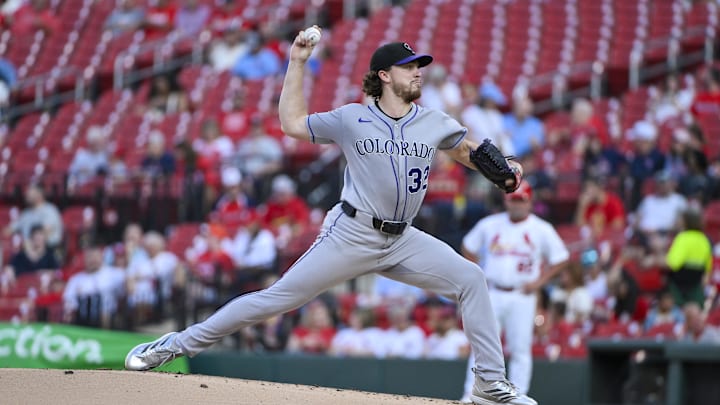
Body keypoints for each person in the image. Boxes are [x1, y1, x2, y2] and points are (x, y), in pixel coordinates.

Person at [125, 32, 536, 405]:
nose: (417, 74)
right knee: (275, 300)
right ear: (384, 76)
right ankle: (175, 345)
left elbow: (466, 148)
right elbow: (291, 125)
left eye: (419, 67)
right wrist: (298, 62)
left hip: (404, 239)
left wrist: (504, 166)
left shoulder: (432, 120)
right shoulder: (351, 118)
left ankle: (487, 383)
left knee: (471, 280)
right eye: (409, 67)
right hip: (352, 234)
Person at [461, 182, 568, 400]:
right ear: (505, 201)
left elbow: (561, 258)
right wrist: (477, 273)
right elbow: (468, 246)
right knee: (482, 345)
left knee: (520, 348)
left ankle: (517, 396)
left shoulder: (541, 229)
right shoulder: (490, 224)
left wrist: (539, 282)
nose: (517, 205)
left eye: (521, 200)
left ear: (529, 202)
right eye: (513, 200)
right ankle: (470, 395)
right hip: (492, 292)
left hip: (522, 294)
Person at [665, 208, 712, 307]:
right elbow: (707, 268)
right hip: (696, 285)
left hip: (678, 286)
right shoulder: (704, 239)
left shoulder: (683, 238)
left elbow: (673, 264)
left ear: (686, 221)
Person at [4, 184, 63, 249]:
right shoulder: (26, 213)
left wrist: (29, 243)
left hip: (47, 250)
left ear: (39, 195)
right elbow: (10, 229)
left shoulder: (49, 210)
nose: (27, 196)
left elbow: (46, 232)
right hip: (27, 250)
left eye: (30, 194)